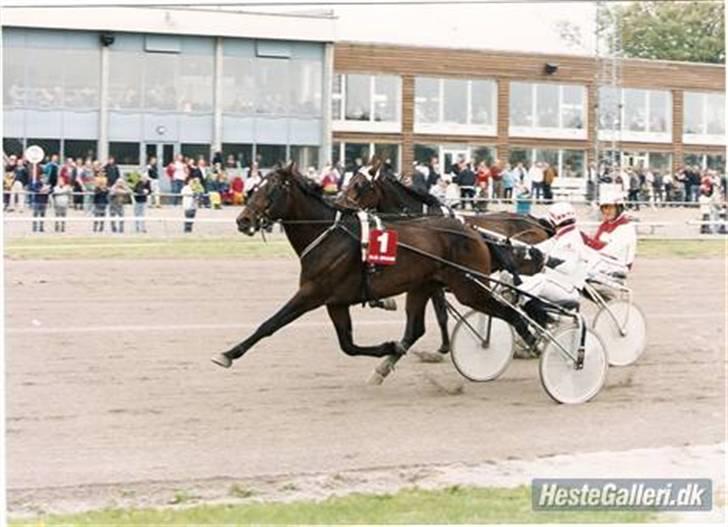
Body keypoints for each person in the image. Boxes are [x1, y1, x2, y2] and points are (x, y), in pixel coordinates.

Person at [515, 202, 588, 327]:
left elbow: (567, 267)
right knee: (516, 278)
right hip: (556, 285)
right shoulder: (560, 237)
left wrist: (544, 259)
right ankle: (520, 303)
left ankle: (514, 300)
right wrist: (520, 249)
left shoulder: (572, 239)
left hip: (568, 290)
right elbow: (538, 249)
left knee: (540, 279)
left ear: (554, 221)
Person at [582, 191, 637, 277]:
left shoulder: (626, 227)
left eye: (610, 208)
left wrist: (586, 241)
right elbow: (596, 243)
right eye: (604, 208)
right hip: (604, 261)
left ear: (619, 208)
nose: (607, 211)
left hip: (618, 265)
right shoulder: (606, 224)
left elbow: (608, 251)